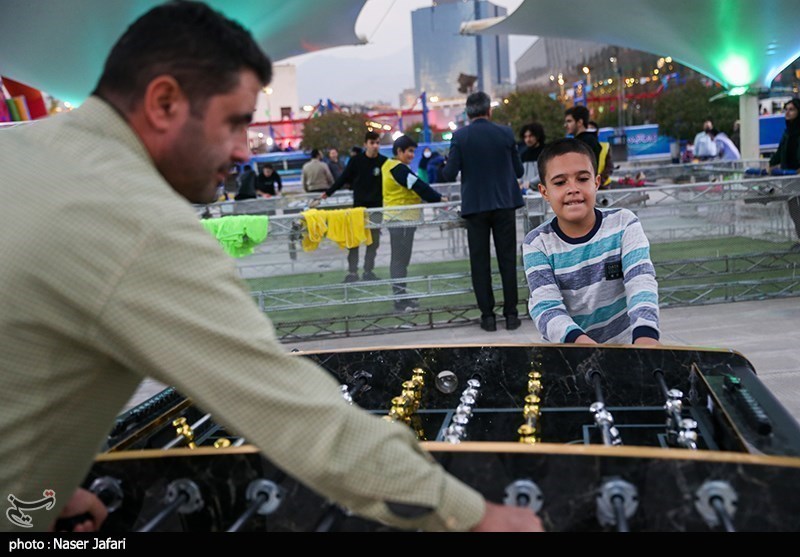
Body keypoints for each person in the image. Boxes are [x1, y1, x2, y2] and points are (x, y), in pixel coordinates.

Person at [0, 1, 541, 533]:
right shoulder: (136, 222)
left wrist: (32, 491)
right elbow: (299, 418)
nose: (243, 151)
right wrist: (477, 517)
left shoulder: (19, 153)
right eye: (235, 123)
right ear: (164, 101)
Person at [522, 139, 660, 345]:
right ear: (544, 192)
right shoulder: (537, 244)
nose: (572, 189)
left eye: (582, 179)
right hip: (568, 353)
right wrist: (582, 345)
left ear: (596, 183)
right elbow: (546, 308)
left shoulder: (624, 223)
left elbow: (641, 282)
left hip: (625, 348)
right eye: (560, 182)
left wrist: (646, 336)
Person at [441, 92, 524, 332]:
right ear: (489, 111)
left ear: (467, 114)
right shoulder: (506, 133)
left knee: (480, 263)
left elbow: (448, 174)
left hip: (475, 207)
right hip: (504, 204)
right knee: (507, 261)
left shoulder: (460, 136)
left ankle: (488, 317)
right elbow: (518, 171)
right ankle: (511, 315)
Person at [383, 135, 446, 312]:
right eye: (409, 151)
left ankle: (402, 295)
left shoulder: (393, 167)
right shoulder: (398, 168)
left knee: (401, 261)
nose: (412, 155)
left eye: (413, 151)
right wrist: (439, 198)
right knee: (399, 261)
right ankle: (399, 300)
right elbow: (418, 185)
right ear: (399, 151)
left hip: (402, 219)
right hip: (400, 220)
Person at [321, 131, 387, 282]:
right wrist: (327, 193)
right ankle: (352, 273)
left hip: (377, 209)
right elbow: (342, 179)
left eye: (377, 142)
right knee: (354, 241)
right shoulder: (356, 161)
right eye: (372, 143)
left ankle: (368, 271)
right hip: (358, 209)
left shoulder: (384, 161)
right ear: (365, 144)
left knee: (373, 242)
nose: (375, 146)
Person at [769, 98, 800, 252]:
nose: (787, 112)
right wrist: (771, 164)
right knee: (794, 210)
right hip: (788, 178)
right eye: (786, 109)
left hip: (797, 176)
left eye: (791, 109)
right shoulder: (788, 132)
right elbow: (781, 151)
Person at [519, 123, 546, 192]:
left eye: (530, 136)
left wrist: (530, 183)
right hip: (526, 191)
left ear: (537, 136)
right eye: (525, 137)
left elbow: (545, 172)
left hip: (542, 191)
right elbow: (520, 174)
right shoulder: (523, 154)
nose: (527, 139)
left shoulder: (546, 152)